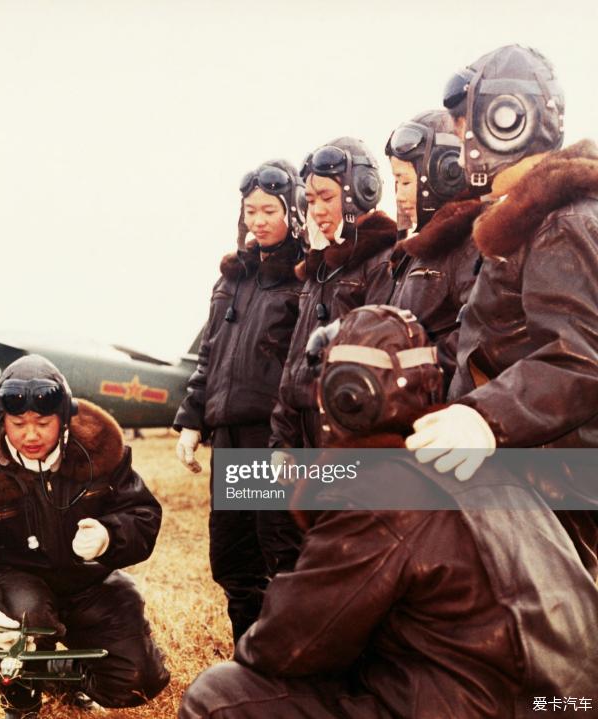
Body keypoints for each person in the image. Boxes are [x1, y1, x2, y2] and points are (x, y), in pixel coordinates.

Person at [179, 306, 598, 718]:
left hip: (481, 705)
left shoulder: (378, 491)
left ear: (348, 396)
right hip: (563, 703)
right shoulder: (486, 460)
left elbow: (289, 645)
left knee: (217, 695)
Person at [406, 45, 598, 574]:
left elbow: (579, 360)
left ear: (505, 117)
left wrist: (487, 417)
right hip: (531, 480)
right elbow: (489, 346)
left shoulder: (559, 224)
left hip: (560, 493)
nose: (460, 137)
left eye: (465, 120)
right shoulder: (522, 222)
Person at [0, 354, 169, 718]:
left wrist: (109, 535)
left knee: (137, 681)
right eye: (18, 423)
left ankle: (60, 673)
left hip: (90, 584)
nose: (30, 435)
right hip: (19, 589)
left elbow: (142, 513)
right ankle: (22, 693)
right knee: (25, 614)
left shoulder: (102, 450)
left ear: (65, 419)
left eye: (43, 422)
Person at [173, 159, 306, 645]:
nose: (258, 221)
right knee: (234, 560)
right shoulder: (234, 278)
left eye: (269, 210)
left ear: (293, 210)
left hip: (270, 437)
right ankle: (248, 660)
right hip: (228, 438)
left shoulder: (303, 278)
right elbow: (210, 353)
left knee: (280, 555)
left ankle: (287, 666)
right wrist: (192, 421)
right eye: (250, 210)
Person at [269, 137, 398, 449]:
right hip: (305, 437)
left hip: (349, 439)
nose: (316, 211)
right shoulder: (321, 269)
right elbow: (293, 365)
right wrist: (281, 440)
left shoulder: (385, 263)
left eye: (326, 197)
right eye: (310, 201)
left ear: (361, 192)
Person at [384, 108, 479, 387]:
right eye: (396, 182)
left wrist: (402, 377)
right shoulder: (417, 250)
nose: (399, 195)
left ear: (443, 174)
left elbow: (476, 340)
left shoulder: (467, 244)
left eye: (405, 181)